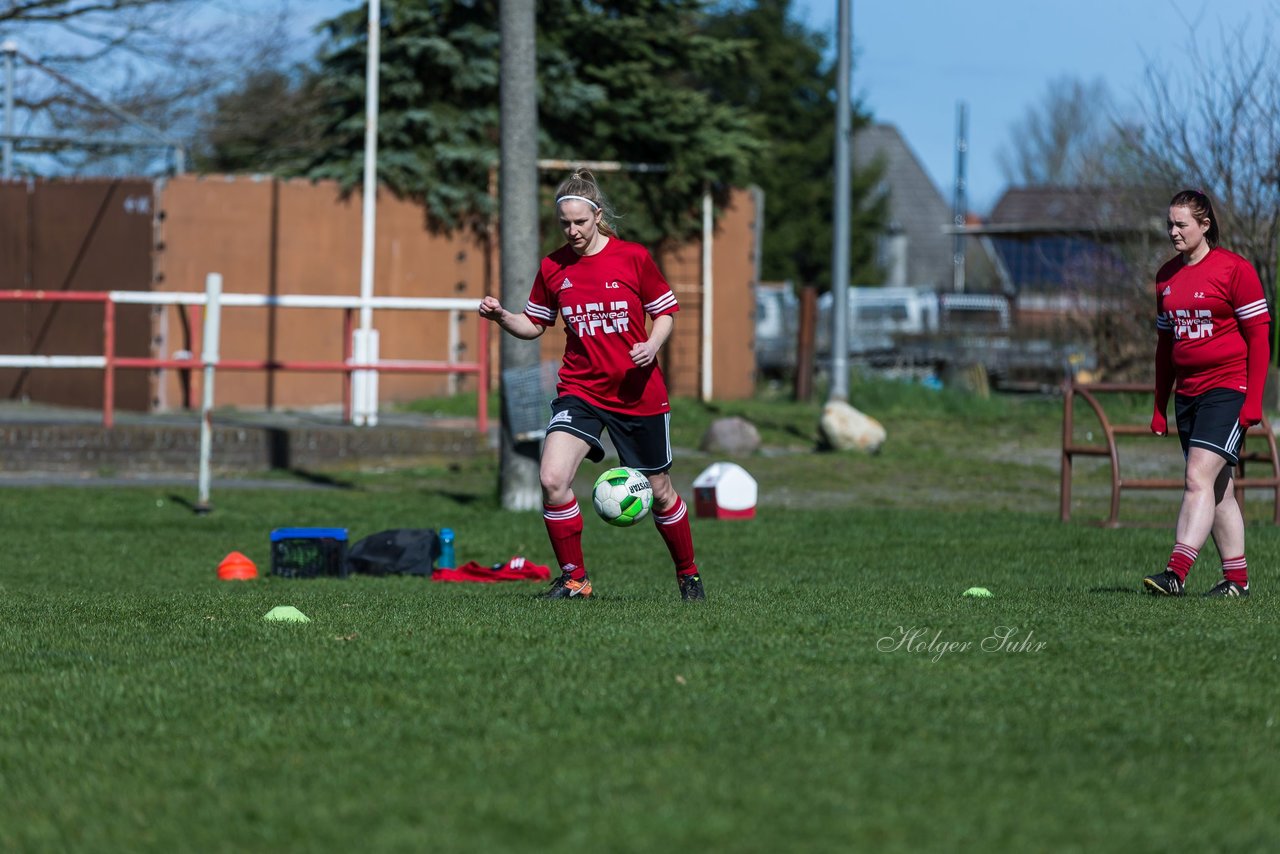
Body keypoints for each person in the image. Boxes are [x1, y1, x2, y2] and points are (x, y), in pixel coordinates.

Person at [478, 169, 705, 602]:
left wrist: (651, 344)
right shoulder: (553, 267)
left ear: (597, 216)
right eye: (565, 223)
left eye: (580, 222)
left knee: (660, 491)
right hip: (580, 390)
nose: (572, 230)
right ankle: (575, 579)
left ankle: (688, 574)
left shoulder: (633, 258)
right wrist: (503, 316)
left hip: (638, 394)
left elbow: (666, 312)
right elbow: (534, 325)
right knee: (552, 477)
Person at [1144, 189, 1270, 597]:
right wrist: (1160, 404)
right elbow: (1166, 348)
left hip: (1229, 389)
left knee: (1197, 477)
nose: (1173, 232)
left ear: (1205, 225)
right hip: (1189, 394)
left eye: (1181, 224)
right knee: (1217, 490)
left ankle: (1175, 573)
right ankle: (1237, 582)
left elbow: (1260, 337)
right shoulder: (1166, 277)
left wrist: (1253, 401)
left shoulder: (1235, 270)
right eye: (1170, 224)